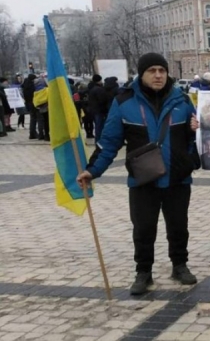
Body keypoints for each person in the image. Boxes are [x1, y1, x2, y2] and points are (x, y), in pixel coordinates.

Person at [77, 53, 200, 296]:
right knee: (143, 228)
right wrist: (93, 171)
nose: (157, 75)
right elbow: (109, 142)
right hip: (143, 179)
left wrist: (195, 130)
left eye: (162, 70)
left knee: (178, 226)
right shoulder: (124, 102)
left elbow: (198, 138)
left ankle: (179, 265)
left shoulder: (183, 101)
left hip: (177, 177)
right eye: (152, 70)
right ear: (141, 74)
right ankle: (143, 271)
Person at [22, 73, 37, 139]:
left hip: (28, 104)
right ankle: (34, 133)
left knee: (32, 118)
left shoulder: (25, 86)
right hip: (34, 103)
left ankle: (31, 133)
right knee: (35, 118)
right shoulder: (32, 86)